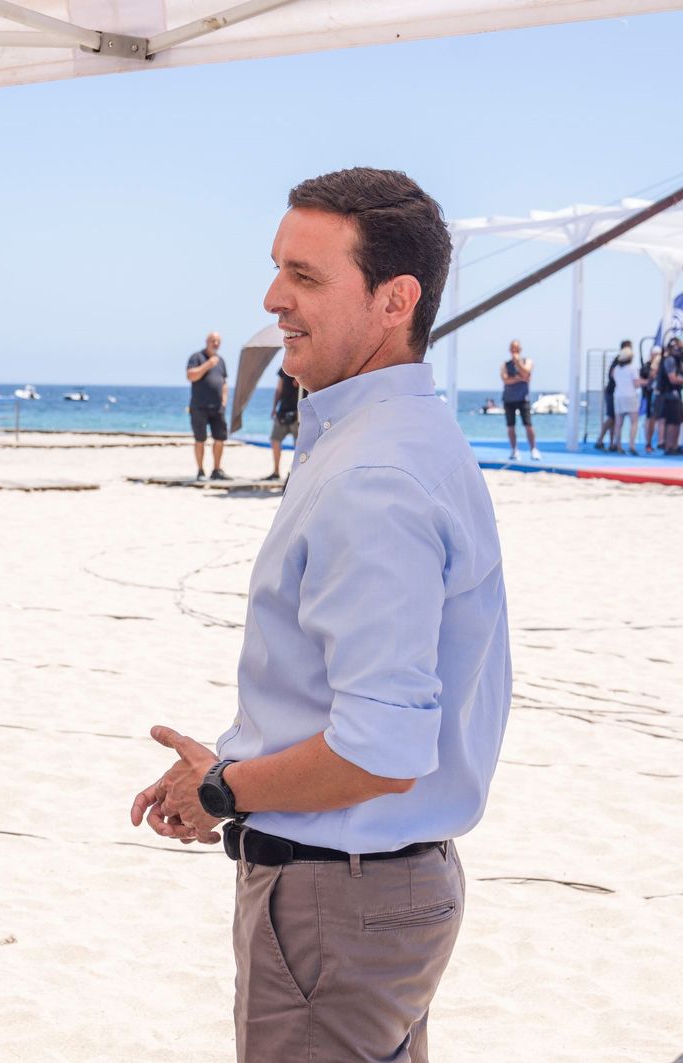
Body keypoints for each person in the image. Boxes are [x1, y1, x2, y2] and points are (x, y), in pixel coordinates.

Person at [131, 168, 510, 1063]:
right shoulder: (399, 434)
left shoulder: (375, 475)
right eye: (277, 269)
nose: (273, 297)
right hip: (380, 894)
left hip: (342, 902)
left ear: (395, 299)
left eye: (305, 275)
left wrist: (222, 789)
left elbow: (380, 747)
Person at [186, 330, 229, 480]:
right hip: (199, 407)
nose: (216, 344)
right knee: (200, 440)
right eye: (213, 341)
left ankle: (216, 470)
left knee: (220, 439)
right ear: (207, 342)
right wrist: (207, 365)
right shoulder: (197, 357)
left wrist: (224, 402)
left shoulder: (221, 360)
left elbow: (224, 382)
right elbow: (190, 376)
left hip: (217, 407)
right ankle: (200, 471)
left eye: (218, 341)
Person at [500, 339, 539, 460]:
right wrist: (520, 378)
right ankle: (514, 450)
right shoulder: (505, 365)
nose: (514, 351)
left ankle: (533, 449)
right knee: (510, 426)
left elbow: (526, 373)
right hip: (509, 399)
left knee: (528, 425)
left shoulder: (527, 361)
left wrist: (518, 363)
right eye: (512, 348)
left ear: (520, 350)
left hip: (523, 399)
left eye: (516, 348)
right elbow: (506, 379)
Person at [267, 366, 301, 480]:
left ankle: (295, 472)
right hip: (283, 410)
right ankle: (276, 471)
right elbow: (279, 389)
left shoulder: (307, 365)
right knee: (275, 440)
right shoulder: (284, 367)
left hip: (299, 413)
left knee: (299, 445)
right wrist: (274, 407)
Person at [609, 341, 642, 456]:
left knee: (618, 423)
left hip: (618, 396)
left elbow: (613, 378)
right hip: (630, 396)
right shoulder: (632, 369)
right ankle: (631, 445)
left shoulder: (616, 369)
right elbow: (636, 384)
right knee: (634, 422)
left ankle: (618, 445)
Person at [659, 338, 683, 455]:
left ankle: (674, 445)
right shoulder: (670, 360)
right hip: (670, 395)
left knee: (677, 421)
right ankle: (669, 446)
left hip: (676, 395)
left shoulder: (677, 360)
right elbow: (672, 378)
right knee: (672, 422)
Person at [594, 349, 619, 451]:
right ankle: (600, 439)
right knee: (611, 418)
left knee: (614, 419)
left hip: (613, 393)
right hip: (612, 392)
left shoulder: (617, 363)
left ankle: (611, 442)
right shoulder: (619, 363)